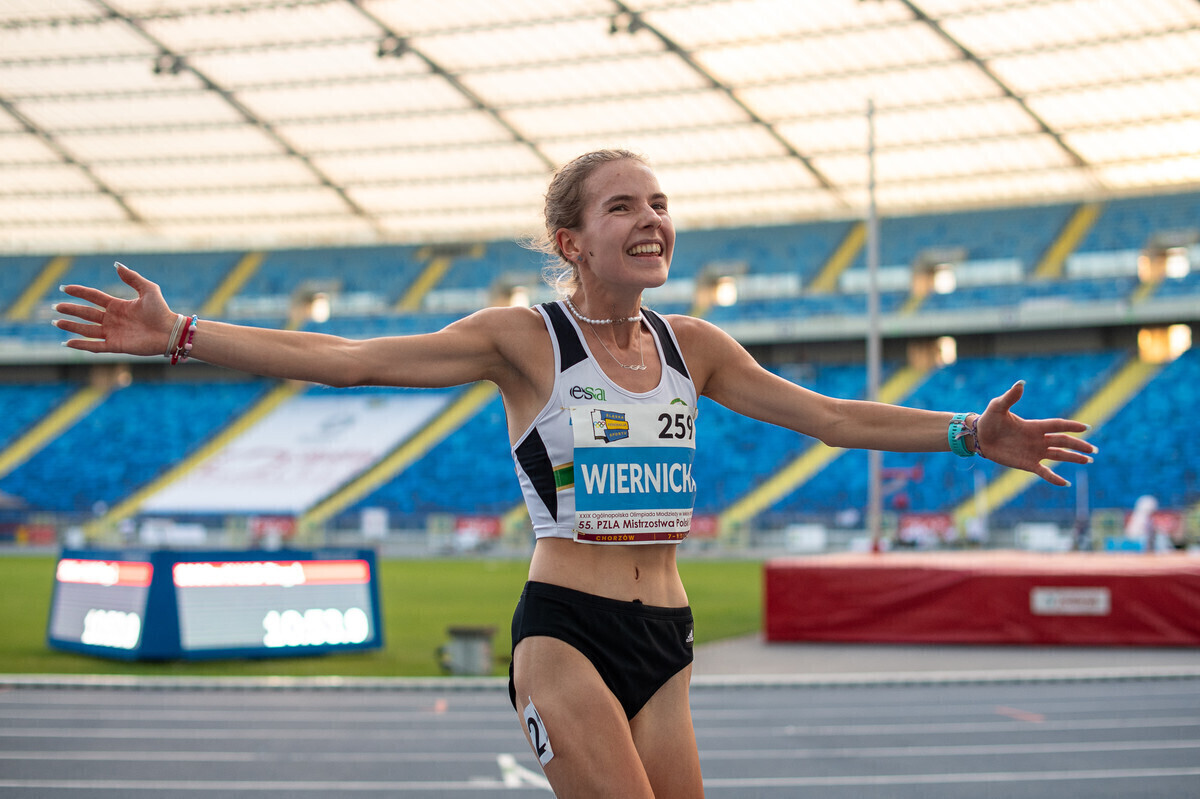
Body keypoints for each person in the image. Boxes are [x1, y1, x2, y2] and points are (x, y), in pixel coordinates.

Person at [55, 148, 1098, 798]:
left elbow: (828, 417)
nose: (652, 219)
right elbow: (354, 359)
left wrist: (970, 432)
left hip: (669, 637)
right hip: (568, 630)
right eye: (623, 207)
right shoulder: (524, 337)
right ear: (573, 239)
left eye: (660, 202)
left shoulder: (696, 342)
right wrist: (182, 333)